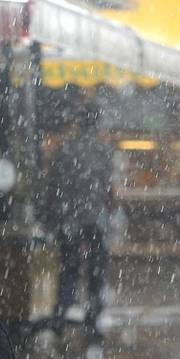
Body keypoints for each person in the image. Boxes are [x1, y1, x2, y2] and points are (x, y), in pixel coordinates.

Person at [48, 99, 115, 329]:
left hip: (70, 216)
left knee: (69, 265)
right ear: (97, 122)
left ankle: (63, 308)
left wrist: (56, 210)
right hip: (96, 216)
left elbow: (54, 185)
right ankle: (93, 311)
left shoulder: (65, 149)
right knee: (96, 267)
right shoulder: (103, 150)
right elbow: (109, 188)